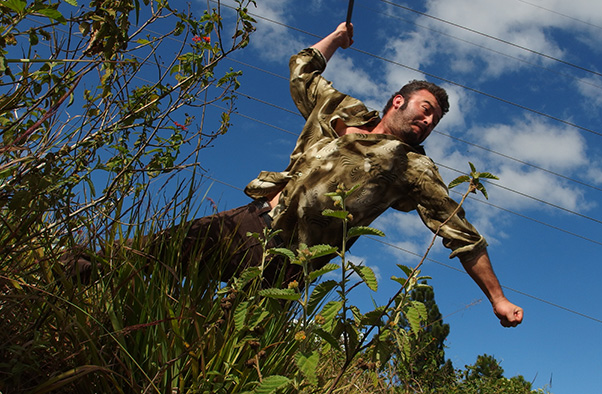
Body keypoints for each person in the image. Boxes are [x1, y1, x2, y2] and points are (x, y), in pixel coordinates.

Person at [64, 22, 523, 328]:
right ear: (398, 101)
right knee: (141, 256)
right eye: (425, 110)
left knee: (228, 338)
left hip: (289, 262)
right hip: (250, 221)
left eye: (435, 121)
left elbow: (463, 235)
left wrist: (497, 299)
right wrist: (335, 38)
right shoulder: (342, 111)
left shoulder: (415, 168)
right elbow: (303, 69)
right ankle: (47, 288)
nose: (427, 122)